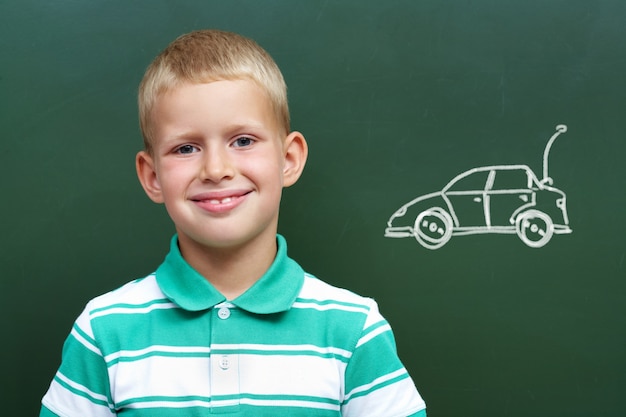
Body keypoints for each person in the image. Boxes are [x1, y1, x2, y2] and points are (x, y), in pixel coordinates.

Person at [40, 29, 427, 417]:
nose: (216, 169)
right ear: (152, 176)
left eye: (242, 140)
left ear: (288, 158)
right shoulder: (104, 332)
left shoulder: (353, 330)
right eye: (185, 148)